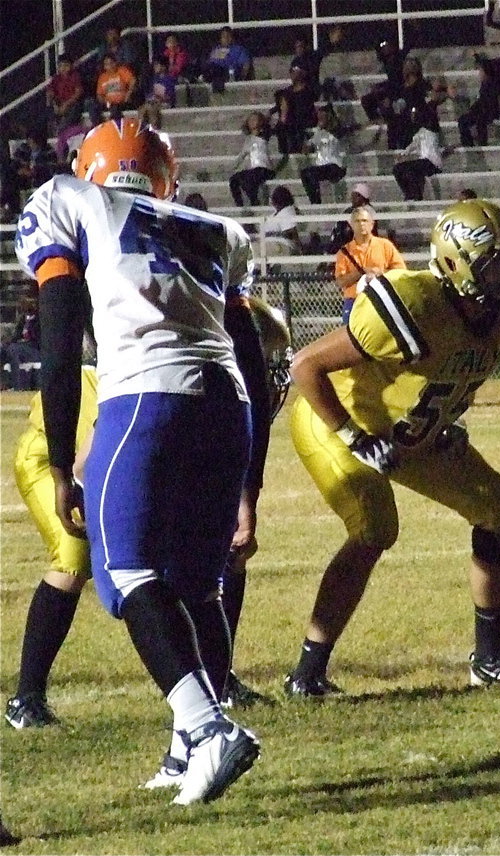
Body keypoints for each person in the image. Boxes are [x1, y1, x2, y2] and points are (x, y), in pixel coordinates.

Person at [14, 118, 268, 804]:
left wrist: (63, 459)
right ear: (165, 174)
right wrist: (253, 483)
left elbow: (62, 344)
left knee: (125, 570)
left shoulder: (70, 200)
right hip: (228, 406)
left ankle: (205, 727)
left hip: (146, 399)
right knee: (200, 585)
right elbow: (256, 363)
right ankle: (192, 750)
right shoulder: (217, 229)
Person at [283, 199, 500, 695]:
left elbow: (450, 372)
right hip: (342, 419)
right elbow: (306, 366)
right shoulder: (414, 307)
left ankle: (488, 658)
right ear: (453, 264)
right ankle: (308, 673)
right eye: (496, 268)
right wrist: (351, 435)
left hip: (415, 433)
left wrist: (444, 419)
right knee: (375, 528)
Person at [5, 301, 290, 730]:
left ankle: (217, 681)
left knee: (213, 545)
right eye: (264, 357)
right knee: (76, 555)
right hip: (60, 456)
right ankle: (25, 698)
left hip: (130, 447)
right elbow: (87, 465)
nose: (268, 371)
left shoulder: (205, 385)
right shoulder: (159, 376)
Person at [332, 205, 407, 324]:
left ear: (372, 224)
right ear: (351, 225)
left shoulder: (385, 245)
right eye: (357, 221)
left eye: (364, 221)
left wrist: (379, 274)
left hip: (381, 299)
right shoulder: (344, 252)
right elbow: (340, 281)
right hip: (354, 301)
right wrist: (362, 272)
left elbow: (401, 272)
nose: (361, 224)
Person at [457, 49, 500, 148]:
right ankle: (468, 146)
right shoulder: (485, 86)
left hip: (491, 107)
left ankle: (482, 145)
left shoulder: (495, 82)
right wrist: (475, 56)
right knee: (463, 120)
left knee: (480, 119)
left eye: (481, 72)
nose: (480, 74)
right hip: (482, 105)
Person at [298, 105, 346, 205]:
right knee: (304, 173)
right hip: (322, 167)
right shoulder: (318, 133)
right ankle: (314, 201)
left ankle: (316, 202)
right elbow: (306, 150)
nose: (320, 119)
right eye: (319, 117)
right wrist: (306, 140)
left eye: (323, 117)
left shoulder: (337, 131)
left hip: (335, 166)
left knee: (311, 173)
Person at [391, 108, 443, 201]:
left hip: (432, 163)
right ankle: (408, 194)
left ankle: (416, 195)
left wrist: (405, 154)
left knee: (410, 168)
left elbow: (417, 143)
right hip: (423, 162)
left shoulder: (430, 132)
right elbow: (413, 144)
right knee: (397, 169)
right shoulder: (420, 132)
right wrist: (403, 154)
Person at [271, 65, 318, 162]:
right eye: (292, 72)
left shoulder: (308, 90)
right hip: (291, 125)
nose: (293, 75)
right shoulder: (287, 92)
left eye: (296, 72)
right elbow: (282, 108)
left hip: (304, 123)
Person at [228, 111, 275, 208]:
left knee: (250, 178)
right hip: (254, 169)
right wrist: (232, 167)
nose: (252, 121)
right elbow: (242, 155)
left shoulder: (265, 135)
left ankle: (255, 202)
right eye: (250, 120)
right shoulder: (248, 140)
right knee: (234, 180)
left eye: (255, 119)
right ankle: (240, 205)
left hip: (264, 168)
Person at [1, 295, 41, 391]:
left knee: (14, 350)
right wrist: (6, 343)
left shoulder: (40, 319)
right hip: (21, 346)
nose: (24, 305)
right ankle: (3, 382)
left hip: (34, 348)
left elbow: (38, 338)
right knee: (3, 349)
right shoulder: (23, 318)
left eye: (28, 302)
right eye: (22, 303)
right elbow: (16, 336)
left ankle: (18, 385)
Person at [202, 26, 252, 94]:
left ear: (232, 38)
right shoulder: (217, 50)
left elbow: (246, 65)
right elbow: (211, 63)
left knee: (218, 71)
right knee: (209, 67)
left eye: (228, 36)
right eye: (224, 36)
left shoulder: (238, 50)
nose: (226, 39)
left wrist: (241, 79)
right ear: (220, 38)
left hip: (230, 74)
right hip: (215, 73)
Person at [260, 185, 301, 257]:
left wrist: (299, 250)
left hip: (281, 246)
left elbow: (291, 233)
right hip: (269, 244)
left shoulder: (288, 211)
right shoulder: (276, 213)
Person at [93, 53, 136, 120]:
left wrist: (129, 92)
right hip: (108, 103)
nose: (110, 66)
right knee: (93, 106)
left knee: (115, 108)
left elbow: (133, 80)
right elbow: (99, 94)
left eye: (111, 63)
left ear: (115, 63)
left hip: (121, 102)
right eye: (107, 64)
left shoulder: (122, 71)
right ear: (104, 66)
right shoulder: (102, 77)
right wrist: (105, 102)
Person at [46, 57, 85, 132]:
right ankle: (52, 129)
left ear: (71, 66)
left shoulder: (75, 76)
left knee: (75, 108)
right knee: (48, 109)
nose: (63, 68)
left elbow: (78, 93)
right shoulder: (56, 78)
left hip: (72, 103)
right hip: (59, 103)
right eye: (60, 66)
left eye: (65, 66)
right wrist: (54, 104)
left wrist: (66, 104)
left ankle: (63, 129)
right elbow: (50, 92)